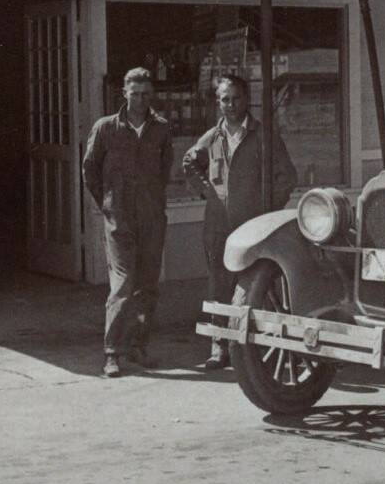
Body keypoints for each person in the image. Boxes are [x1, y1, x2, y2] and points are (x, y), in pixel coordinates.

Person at [183, 72, 297, 371]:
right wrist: (206, 192)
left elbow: (286, 177)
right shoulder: (212, 137)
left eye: (236, 99)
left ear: (247, 100)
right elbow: (189, 163)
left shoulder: (264, 136)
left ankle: (256, 346)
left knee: (258, 287)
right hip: (218, 226)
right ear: (217, 103)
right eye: (224, 100)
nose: (230, 105)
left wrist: (267, 211)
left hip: (255, 228)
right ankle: (219, 347)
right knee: (219, 285)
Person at [81, 67, 173, 378]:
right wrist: (108, 204)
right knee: (122, 285)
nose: (140, 99)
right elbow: (90, 170)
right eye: (135, 94)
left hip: (151, 217)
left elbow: (164, 171)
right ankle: (112, 353)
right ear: (124, 93)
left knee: (148, 285)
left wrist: (152, 203)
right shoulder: (106, 128)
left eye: (146, 94)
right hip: (119, 220)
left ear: (152, 95)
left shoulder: (161, 129)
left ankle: (138, 346)